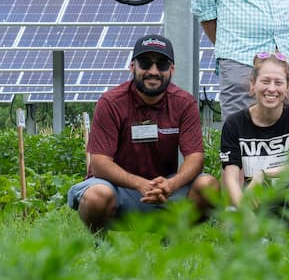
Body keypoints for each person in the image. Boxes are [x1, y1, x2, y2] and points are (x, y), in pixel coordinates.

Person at [67, 35, 217, 231]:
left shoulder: (184, 103)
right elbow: (99, 163)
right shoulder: (111, 102)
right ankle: (102, 242)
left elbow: (195, 158)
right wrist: (140, 184)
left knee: (209, 186)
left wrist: (172, 184)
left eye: (162, 65)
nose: (153, 71)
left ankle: (171, 239)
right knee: (97, 196)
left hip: (165, 190)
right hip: (118, 188)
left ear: (171, 69)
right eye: (145, 63)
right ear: (132, 67)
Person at [219, 53, 289, 224]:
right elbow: (230, 178)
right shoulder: (235, 123)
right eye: (265, 81)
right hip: (254, 200)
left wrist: (265, 174)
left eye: (279, 82)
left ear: (287, 89)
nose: (272, 89)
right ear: (253, 85)